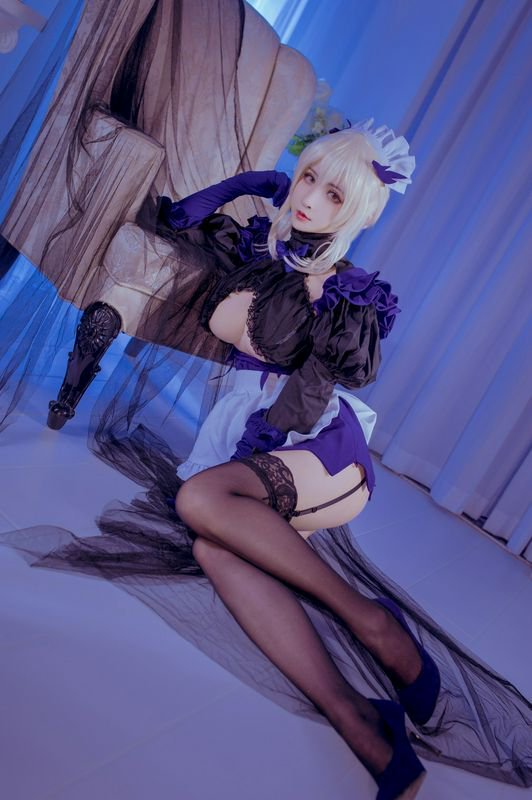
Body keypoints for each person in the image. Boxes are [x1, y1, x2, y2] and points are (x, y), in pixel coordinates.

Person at [156, 122, 432, 799]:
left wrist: (258, 445)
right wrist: (253, 183)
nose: (309, 199)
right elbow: (182, 218)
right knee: (213, 548)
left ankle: (371, 621)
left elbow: (313, 392)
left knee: (199, 502)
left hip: (317, 448)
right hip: (256, 444)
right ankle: (357, 719)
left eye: (334, 194)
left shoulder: (345, 289)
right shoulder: (263, 248)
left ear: (361, 214)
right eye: (308, 177)